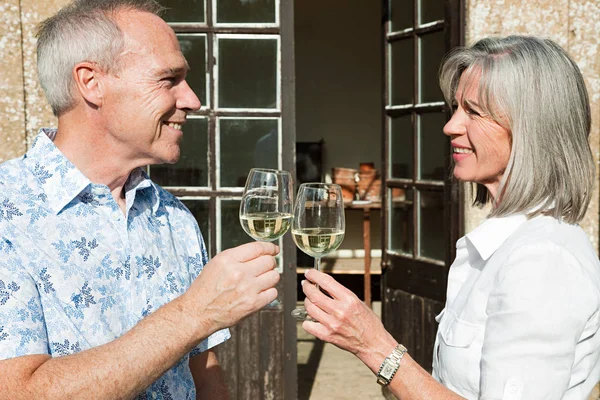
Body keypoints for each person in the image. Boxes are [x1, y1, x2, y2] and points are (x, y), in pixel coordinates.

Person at [0, 0, 280, 399]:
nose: (192, 100)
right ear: (91, 82)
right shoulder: (7, 211)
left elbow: (205, 373)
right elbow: (17, 392)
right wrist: (195, 313)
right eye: (169, 79)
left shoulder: (174, 217)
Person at [301, 35, 600, 399]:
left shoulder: (541, 261)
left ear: (531, 128)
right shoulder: (504, 245)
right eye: (455, 108)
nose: (451, 126)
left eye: (473, 111)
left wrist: (375, 346)